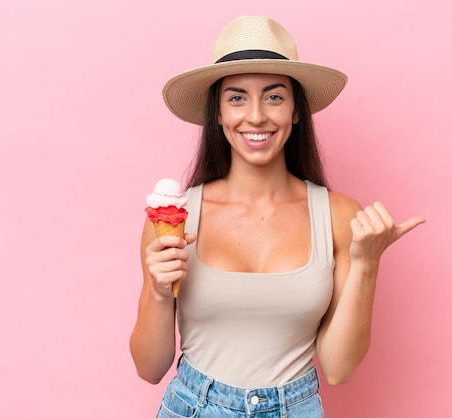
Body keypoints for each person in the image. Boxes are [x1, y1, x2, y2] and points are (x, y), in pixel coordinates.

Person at [130, 16, 425, 417]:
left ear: (296, 111)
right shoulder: (177, 218)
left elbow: (339, 369)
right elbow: (149, 369)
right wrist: (158, 289)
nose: (255, 117)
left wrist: (366, 263)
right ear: (216, 114)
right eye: (236, 98)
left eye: (274, 97)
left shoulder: (338, 215)